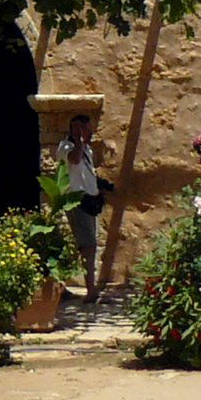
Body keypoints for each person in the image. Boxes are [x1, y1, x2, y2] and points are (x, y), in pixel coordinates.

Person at [57, 113, 112, 299]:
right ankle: (90, 290)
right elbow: (74, 159)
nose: (89, 132)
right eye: (85, 128)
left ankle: (86, 287)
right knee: (87, 246)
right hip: (77, 201)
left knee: (87, 245)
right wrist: (78, 139)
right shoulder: (66, 147)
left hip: (89, 201)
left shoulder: (87, 150)